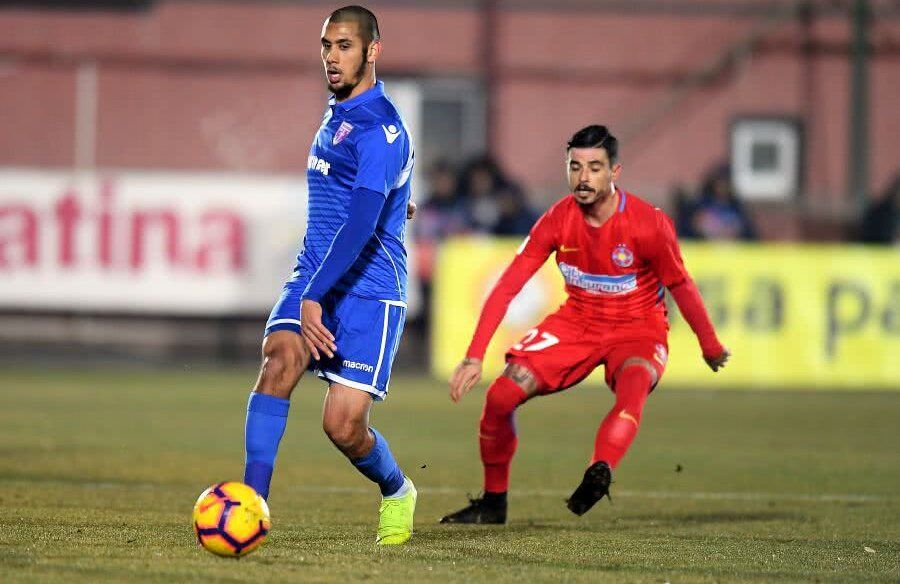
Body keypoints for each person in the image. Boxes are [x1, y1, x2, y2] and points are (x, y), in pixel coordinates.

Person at [440, 125, 730, 524]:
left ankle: (600, 469)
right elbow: (509, 284)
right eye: (575, 167)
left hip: (638, 327)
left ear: (615, 172)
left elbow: (681, 284)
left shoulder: (649, 224)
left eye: (595, 167)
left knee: (633, 388)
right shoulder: (557, 220)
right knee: (500, 397)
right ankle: (493, 503)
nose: (583, 177)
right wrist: (474, 356)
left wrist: (710, 345)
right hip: (576, 324)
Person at [242, 5, 417, 545]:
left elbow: (364, 221)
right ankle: (251, 508)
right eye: (326, 46)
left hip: (368, 290)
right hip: (314, 274)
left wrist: (317, 295)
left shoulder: (381, 127)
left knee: (341, 426)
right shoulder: (338, 112)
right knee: (279, 360)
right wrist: (401, 199)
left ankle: (397, 489)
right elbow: (364, 191)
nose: (332, 58)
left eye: (344, 46)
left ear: (373, 50)